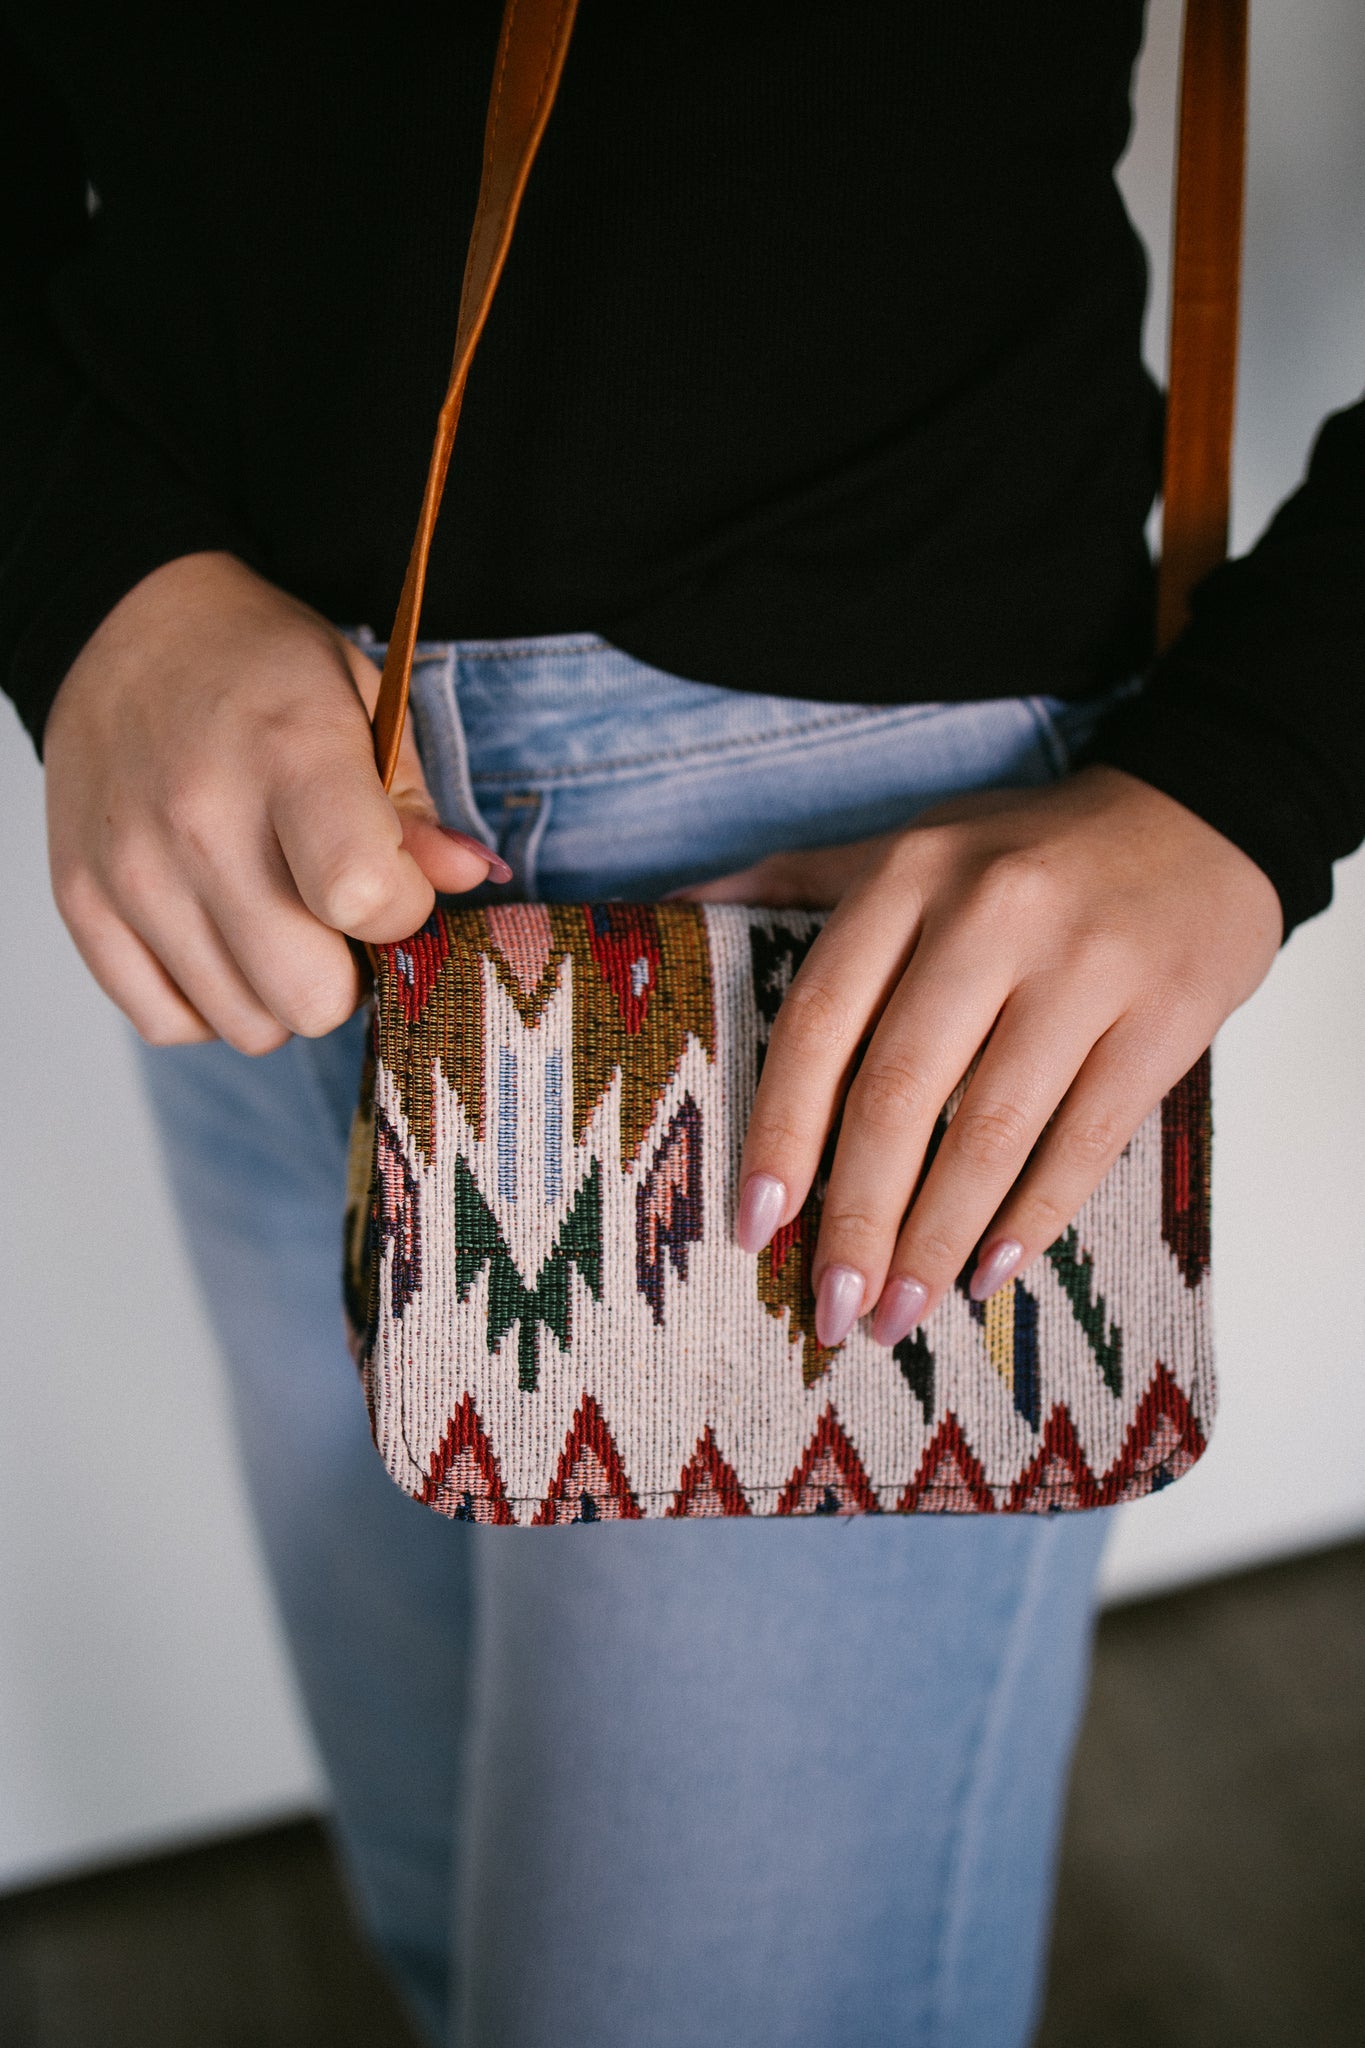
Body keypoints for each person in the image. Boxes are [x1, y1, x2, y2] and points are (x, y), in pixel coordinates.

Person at [2, 5, 1359, 2044]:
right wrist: (82, 568)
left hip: (846, 875)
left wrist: (1252, 778)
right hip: (232, 792)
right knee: (456, 1930)